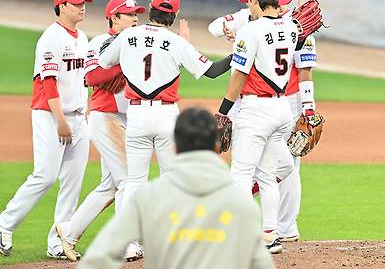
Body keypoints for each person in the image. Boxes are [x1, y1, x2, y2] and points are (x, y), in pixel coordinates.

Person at [77, 107, 275, 269]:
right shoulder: (242, 203)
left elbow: (97, 260)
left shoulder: (148, 198)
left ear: (175, 147)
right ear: (216, 148)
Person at [98, 0, 232, 209]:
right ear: (174, 15)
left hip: (137, 115)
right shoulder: (177, 42)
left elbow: (104, 61)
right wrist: (238, 53)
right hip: (166, 116)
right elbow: (212, 71)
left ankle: (131, 243)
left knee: (135, 181)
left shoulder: (129, 35)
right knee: (171, 178)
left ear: (150, 9)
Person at [209, 0, 318, 243]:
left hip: (255, 111)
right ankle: (271, 234)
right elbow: (300, 46)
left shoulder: (250, 30)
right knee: (269, 176)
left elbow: (239, 75)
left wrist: (223, 110)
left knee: (241, 174)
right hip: (282, 109)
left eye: (249, 0)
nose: (248, 4)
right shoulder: (292, 28)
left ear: (256, 0)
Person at [0, 0, 92, 259]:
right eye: (76, 3)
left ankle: (57, 242)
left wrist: (81, 113)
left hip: (77, 118)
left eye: (83, 2)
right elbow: (48, 82)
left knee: (73, 182)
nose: (82, 6)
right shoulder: (50, 38)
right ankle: (4, 224)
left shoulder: (83, 37)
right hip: (51, 116)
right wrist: (61, 120)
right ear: (62, 6)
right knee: (45, 175)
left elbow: (81, 80)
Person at [54, 0, 146, 262]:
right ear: (114, 18)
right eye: (129, 15)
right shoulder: (101, 43)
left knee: (110, 186)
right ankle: (126, 242)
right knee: (129, 180)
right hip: (106, 117)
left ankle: (69, 232)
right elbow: (91, 77)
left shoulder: (138, 42)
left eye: (136, 14)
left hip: (129, 119)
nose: (135, 18)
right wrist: (121, 61)